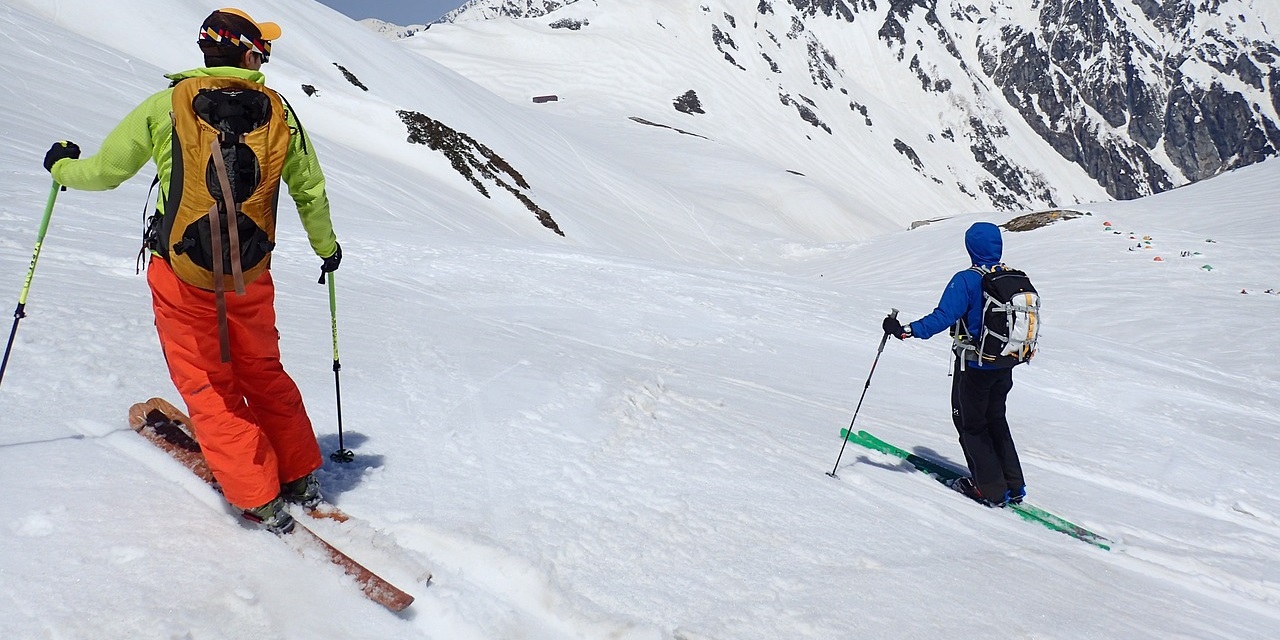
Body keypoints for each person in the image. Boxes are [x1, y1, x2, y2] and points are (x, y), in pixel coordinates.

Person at [43, 8, 341, 534]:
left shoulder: (167, 106)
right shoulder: (280, 113)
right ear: (248, 53)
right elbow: (309, 190)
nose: (265, 56)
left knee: (209, 385)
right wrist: (327, 248)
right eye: (263, 48)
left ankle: (258, 497)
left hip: (181, 274)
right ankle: (298, 476)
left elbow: (106, 172)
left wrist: (61, 167)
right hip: (251, 272)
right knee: (263, 371)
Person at [881, 222, 1026, 507]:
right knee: (996, 419)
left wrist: (905, 330)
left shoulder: (966, 280)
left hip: (974, 365)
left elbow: (943, 317)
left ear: (971, 247)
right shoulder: (1011, 277)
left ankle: (990, 490)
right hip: (1004, 363)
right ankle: (1014, 484)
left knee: (971, 424)